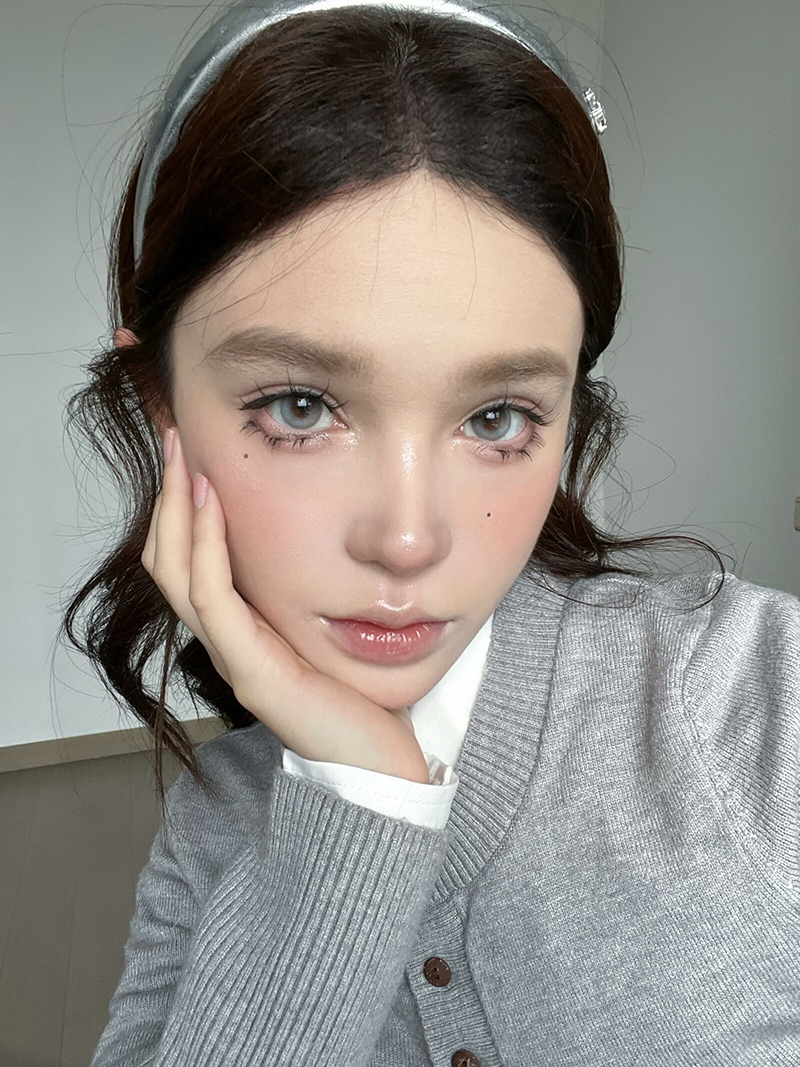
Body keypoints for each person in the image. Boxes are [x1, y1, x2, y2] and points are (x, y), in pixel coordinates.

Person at [60, 1, 800, 1063]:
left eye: (497, 417)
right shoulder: (216, 826)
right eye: (300, 406)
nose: (407, 541)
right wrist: (357, 792)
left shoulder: (756, 704)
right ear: (160, 406)